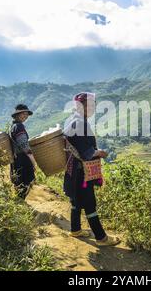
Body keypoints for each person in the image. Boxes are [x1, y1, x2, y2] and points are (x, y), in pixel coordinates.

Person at [63, 92, 120, 247]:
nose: (94, 107)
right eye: (91, 104)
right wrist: (100, 152)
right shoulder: (81, 123)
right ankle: (101, 238)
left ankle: (75, 229)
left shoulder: (72, 120)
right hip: (81, 172)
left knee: (76, 200)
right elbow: (86, 153)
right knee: (89, 203)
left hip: (72, 169)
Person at [10, 104, 37, 199]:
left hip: (16, 159)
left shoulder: (13, 126)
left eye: (26, 114)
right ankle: (20, 202)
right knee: (25, 182)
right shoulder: (19, 126)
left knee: (20, 182)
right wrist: (33, 161)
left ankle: (19, 202)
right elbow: (24, 145)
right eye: (23, 114)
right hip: (22, 160)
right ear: (17, 115)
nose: (25, 116)